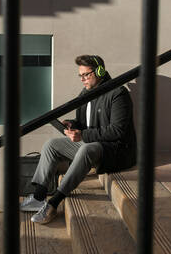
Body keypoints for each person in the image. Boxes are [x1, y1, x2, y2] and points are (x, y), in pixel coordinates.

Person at [21, 55, 137, 224]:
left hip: (116, 151)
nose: (82, 79)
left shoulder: (118, 94)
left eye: (86, 75)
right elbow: (86, 124)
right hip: (94, 144)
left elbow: (117, 131)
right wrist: (72, 124)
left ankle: (53, 203)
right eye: (80, 75)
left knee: (86, 149)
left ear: (100, 71)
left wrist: (83, 135)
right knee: (51, 145)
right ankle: (39, 197)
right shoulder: (85, 93)